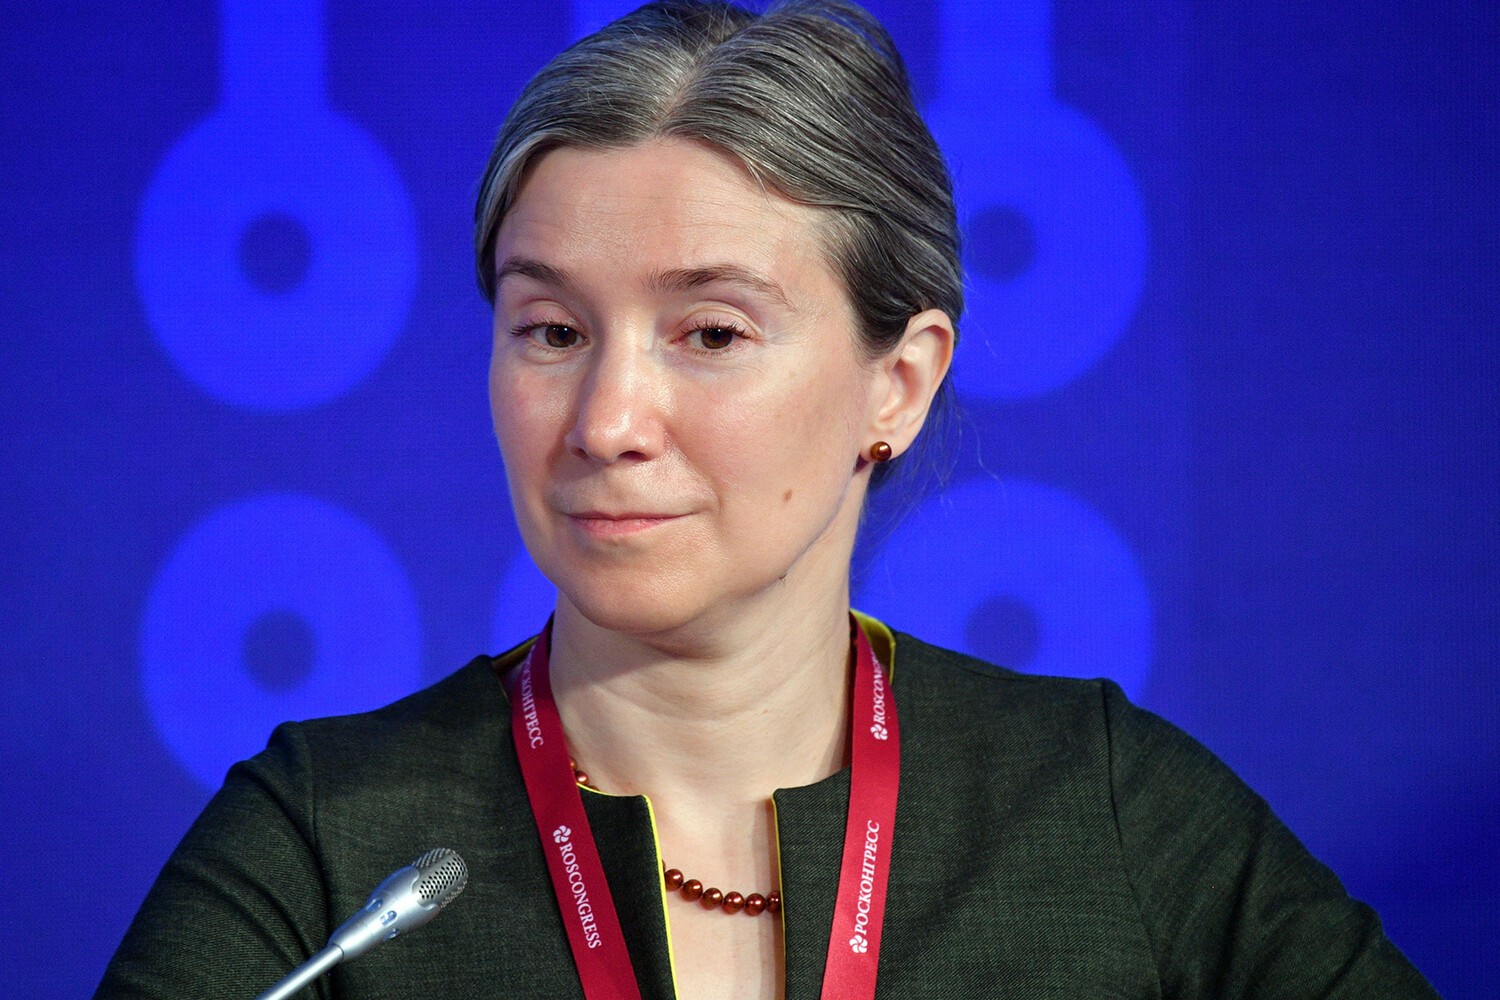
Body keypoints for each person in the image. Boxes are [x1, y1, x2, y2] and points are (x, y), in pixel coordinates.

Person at [96, 2, 1439, 998]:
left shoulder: (1101, 811)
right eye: (552, 330)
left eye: (712, 334)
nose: (606, 422)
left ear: (897, 384)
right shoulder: (331, 847)